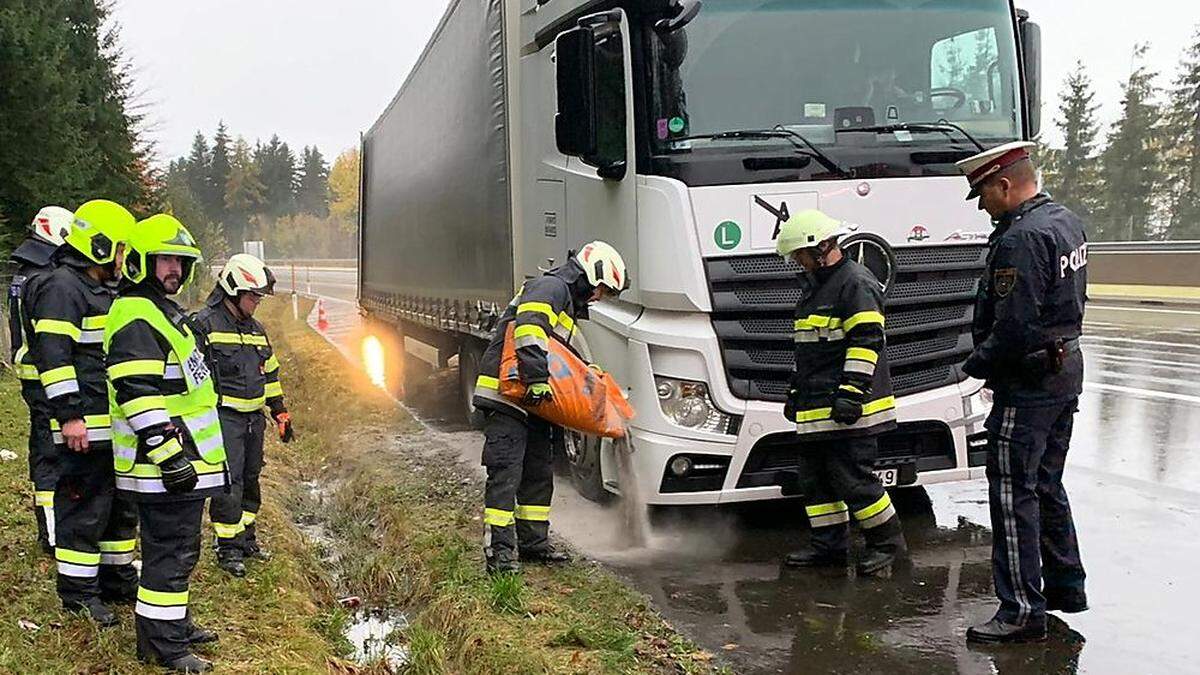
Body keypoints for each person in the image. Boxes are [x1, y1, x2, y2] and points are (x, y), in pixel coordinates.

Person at [956, 142, 1088, 644]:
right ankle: (1063, 587)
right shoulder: (1066, 222)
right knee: (1047, 484)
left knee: (1013, 494)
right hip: (1064, 369)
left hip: (1028, 383)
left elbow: (1013, 326)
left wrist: (974, 364)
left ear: (1004, 185)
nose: (983, 205)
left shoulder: (1021, 239)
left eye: (982, 194)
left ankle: (1020, 610)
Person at [106, 214, 228, 672]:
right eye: (164, 260)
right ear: (140, 262)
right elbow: (137, 394)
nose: (174, 269)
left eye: (180, 261)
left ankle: (172, 625)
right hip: (164, 466)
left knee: (179, 552)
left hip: (182, 461)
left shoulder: (159, 310)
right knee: (169, 554)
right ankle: (164, 646)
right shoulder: (138, 316)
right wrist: (169, 455)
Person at [473, 241, 629, 574]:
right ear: (592, 273)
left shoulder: (566, 302)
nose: (600, 296)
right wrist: (536, 379)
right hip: (510, 396)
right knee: (506, 474)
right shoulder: (551, 287)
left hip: (535, 402)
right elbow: (530, 329)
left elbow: (559, 355)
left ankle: (533, 545)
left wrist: (588, 373)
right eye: (602, 288)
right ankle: (499, 556)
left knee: (538, 475)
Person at [26, 200, 140, 626]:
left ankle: (115, 580)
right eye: (120, 250)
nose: (123, 260)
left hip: (108, 424)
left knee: (116, 507)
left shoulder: (100, 289)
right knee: (83, 510)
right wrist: (69, 416)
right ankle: (78, 594)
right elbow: (54, 358)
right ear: (99, 247)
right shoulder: (62, 287)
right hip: (82, 424)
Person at [776, 209, 906, 578]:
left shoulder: (855, 284)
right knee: (816, 480)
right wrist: (796, 390)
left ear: (821, 248)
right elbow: (811, 351)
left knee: (854, 480)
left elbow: (866, 342)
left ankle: (887, 546)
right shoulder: (814, 289)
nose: (797, 263)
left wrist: (851, 393)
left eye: (799, 255)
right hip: (817, 407)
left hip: (851, 408)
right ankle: (829, 546)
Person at [193, 254, 292, 577]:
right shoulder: (204, 325)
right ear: (234, 290)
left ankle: (247, 538)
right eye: (253, 297)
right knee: (229, 483)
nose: (257, 303)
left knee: (250, 479)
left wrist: (280, 411)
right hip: (224, 419)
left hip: (253, 420)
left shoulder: (256, 330)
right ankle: (228, 547)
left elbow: (271, 373)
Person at [8, 206, 72, 555]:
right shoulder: (46, 279)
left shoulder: (24, 275)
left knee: (44, 449)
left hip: (33, 380)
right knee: (50, 455)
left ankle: (49, 525)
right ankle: (52, 533)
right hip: (48, 380)